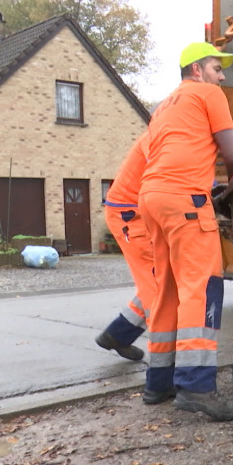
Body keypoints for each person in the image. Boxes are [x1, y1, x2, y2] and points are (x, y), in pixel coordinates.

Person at [138, 42, 233, 422]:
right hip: (184, 199)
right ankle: (197, 388)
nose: (222, 75)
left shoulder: (163, 107)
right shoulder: (208, 93)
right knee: (202, 287)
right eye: (217, 68)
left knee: (167, 289)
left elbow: (165, 154)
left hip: (151, 198)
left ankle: (159, 382)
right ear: (197, 70)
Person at [94, 132, 156, 365]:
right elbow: (166, 173)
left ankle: (117, 334)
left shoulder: (168, 132)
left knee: (159, 281)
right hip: (130, 215)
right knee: (157, 289)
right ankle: (163, 370)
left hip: (136, 212)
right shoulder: (163, 136)